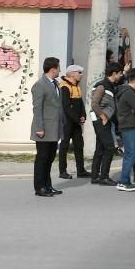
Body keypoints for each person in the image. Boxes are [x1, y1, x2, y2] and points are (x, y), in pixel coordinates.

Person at [30, 57, 64, 198]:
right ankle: (40, 187)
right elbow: (37, 108)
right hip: (44, 128)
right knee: (42, 158)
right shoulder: (40, 85)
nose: (60, 70)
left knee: (50, 158)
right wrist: (39, 128)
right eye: (58, 67)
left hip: (54, 128)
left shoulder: (55, 83)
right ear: (53, 69)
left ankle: (48, 185)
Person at [88, 62, 124, 185]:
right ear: (113, 74)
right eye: (119, 73)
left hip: (105, 120)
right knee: (109, 148)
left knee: (100, 148)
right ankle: (103, 176)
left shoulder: (110, 85)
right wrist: (103, 116)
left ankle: (95, 176)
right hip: (100, 120)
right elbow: (94, 104)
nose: (120, 76)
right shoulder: (102, 86)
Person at [113, 69, 135, 192]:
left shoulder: (125, 90)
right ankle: (124, 181)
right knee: (132, 154)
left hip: (127, 125)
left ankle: (124, 180)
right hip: (129, 125)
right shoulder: (129, 92)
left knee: (129, 154)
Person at [57, 64, 89, 179]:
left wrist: (83, 115)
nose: (81, 75)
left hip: (75, 122)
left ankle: (81, 170)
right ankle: (62, 171)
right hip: (67, 122)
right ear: (71, 74)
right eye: (79, 72)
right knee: (64, 146)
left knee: (79, 145)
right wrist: (77, 118)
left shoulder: (77, 86)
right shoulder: (64, 87)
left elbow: (80, 103)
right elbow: (66, 107)